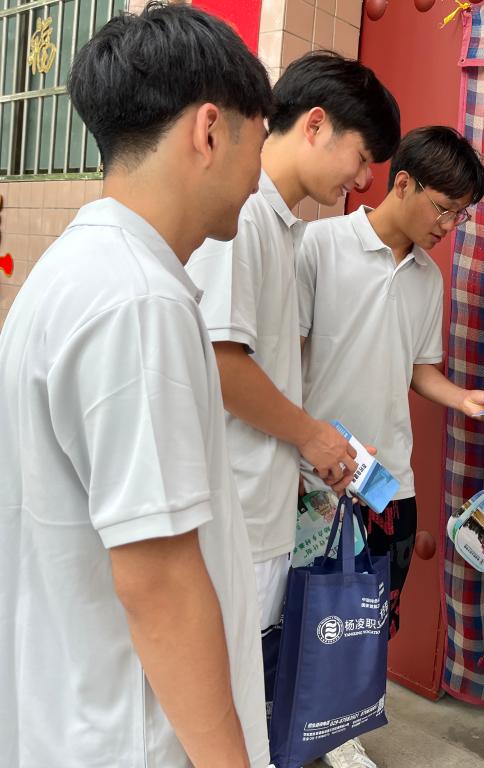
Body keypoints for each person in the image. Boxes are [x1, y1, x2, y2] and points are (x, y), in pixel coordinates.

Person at [0, 4, 274, 766]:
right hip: (131, 732)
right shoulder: (138, 301)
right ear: (210, 131)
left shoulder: (74, 269)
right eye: (258, 143)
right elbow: (159, 582)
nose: (257, 179)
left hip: (73, 706)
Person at [296, 125, 484, 768]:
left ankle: (341, 732)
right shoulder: (319, 245)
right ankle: (285, 729)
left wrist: (461, 398)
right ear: (403, 183)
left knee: (368, 619)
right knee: (300, 613)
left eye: (461, 215)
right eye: (445, 209)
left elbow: (420, 370)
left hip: (388, 483)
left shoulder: (427, 278)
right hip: (316, 475)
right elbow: (286, 358)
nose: (450, 226)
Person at [185, 51, 401, 635]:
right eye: (362, 158)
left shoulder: (282, 226)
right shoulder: (243, 217)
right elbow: (221, 362)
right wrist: (311, 435)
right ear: (316, 124)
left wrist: (309, 450)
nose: (363, 181)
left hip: (260, 510)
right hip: (232, 514)